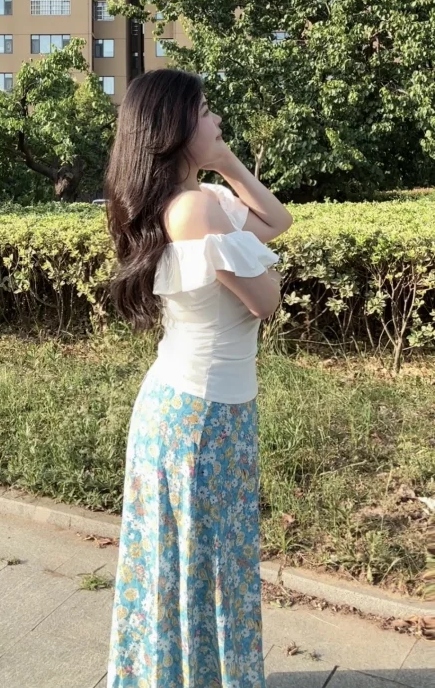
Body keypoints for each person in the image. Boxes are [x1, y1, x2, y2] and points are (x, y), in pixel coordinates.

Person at [104, 68, 293, 688]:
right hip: (201, 417)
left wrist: (226, 161)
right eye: (206, 111)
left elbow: (277, 221)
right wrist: (258, 259)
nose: (217, 120)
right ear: (176, 126)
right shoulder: (196, 208)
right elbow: (266, 300)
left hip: (194, 408)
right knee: (208, 565)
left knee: (187, 564)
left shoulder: (189, 200)